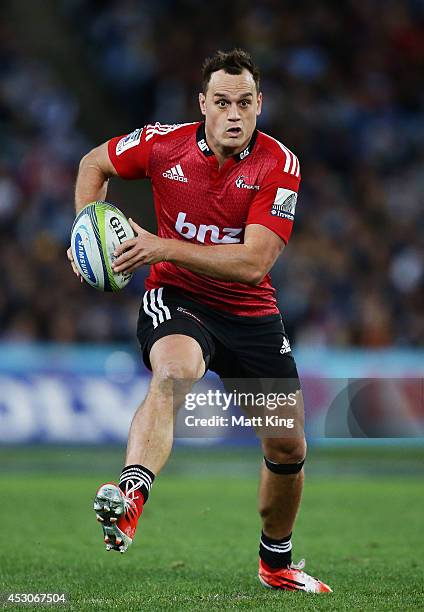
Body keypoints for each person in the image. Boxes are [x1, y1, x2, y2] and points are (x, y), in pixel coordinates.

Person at [67, 49, 331, 593]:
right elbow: (94, 162)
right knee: (174, 370)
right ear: (202, 106)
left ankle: (276, 563)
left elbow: (254, 263)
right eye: (221, 102)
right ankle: (132, 493)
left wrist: (163, 243)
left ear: (260, 105)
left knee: (288, 446)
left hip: (250, 312)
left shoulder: (278, 164)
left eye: (244, 102)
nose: (233, 114)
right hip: (178, 297)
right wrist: (84, 231)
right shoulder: (164, 144)